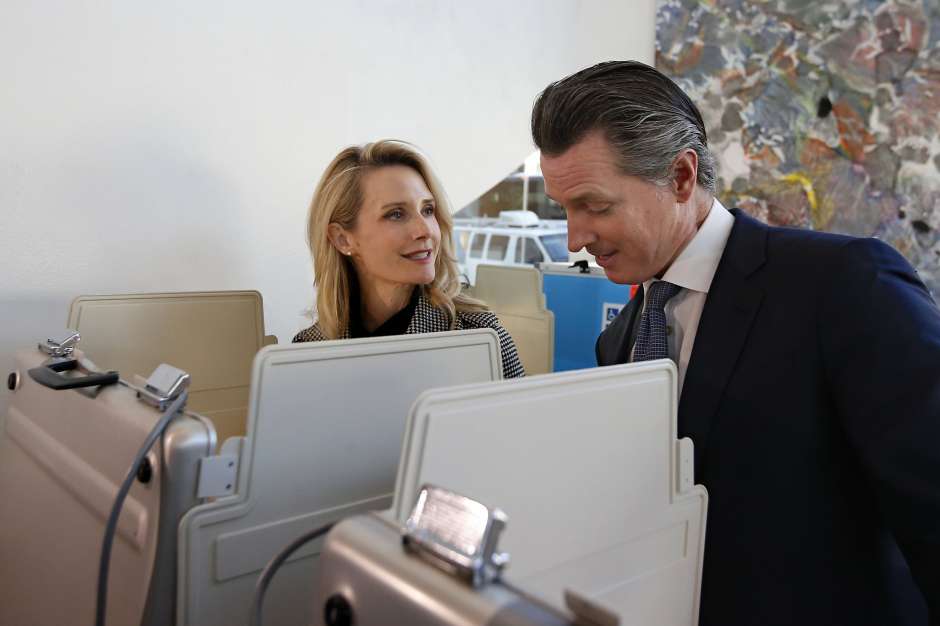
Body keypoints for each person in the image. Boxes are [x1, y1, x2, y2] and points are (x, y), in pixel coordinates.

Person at [531, 61, 939, 626]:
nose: (576, 237)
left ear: (679, 177)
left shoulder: (842, 286)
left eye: (596, 207)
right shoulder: (618, 340)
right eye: (565, 210)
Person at [292, 139, 524, 379]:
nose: (425, 230)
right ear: (342, 239)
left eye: (428, 210)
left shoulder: (482, 336)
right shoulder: (307, 352)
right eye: (396, 214)